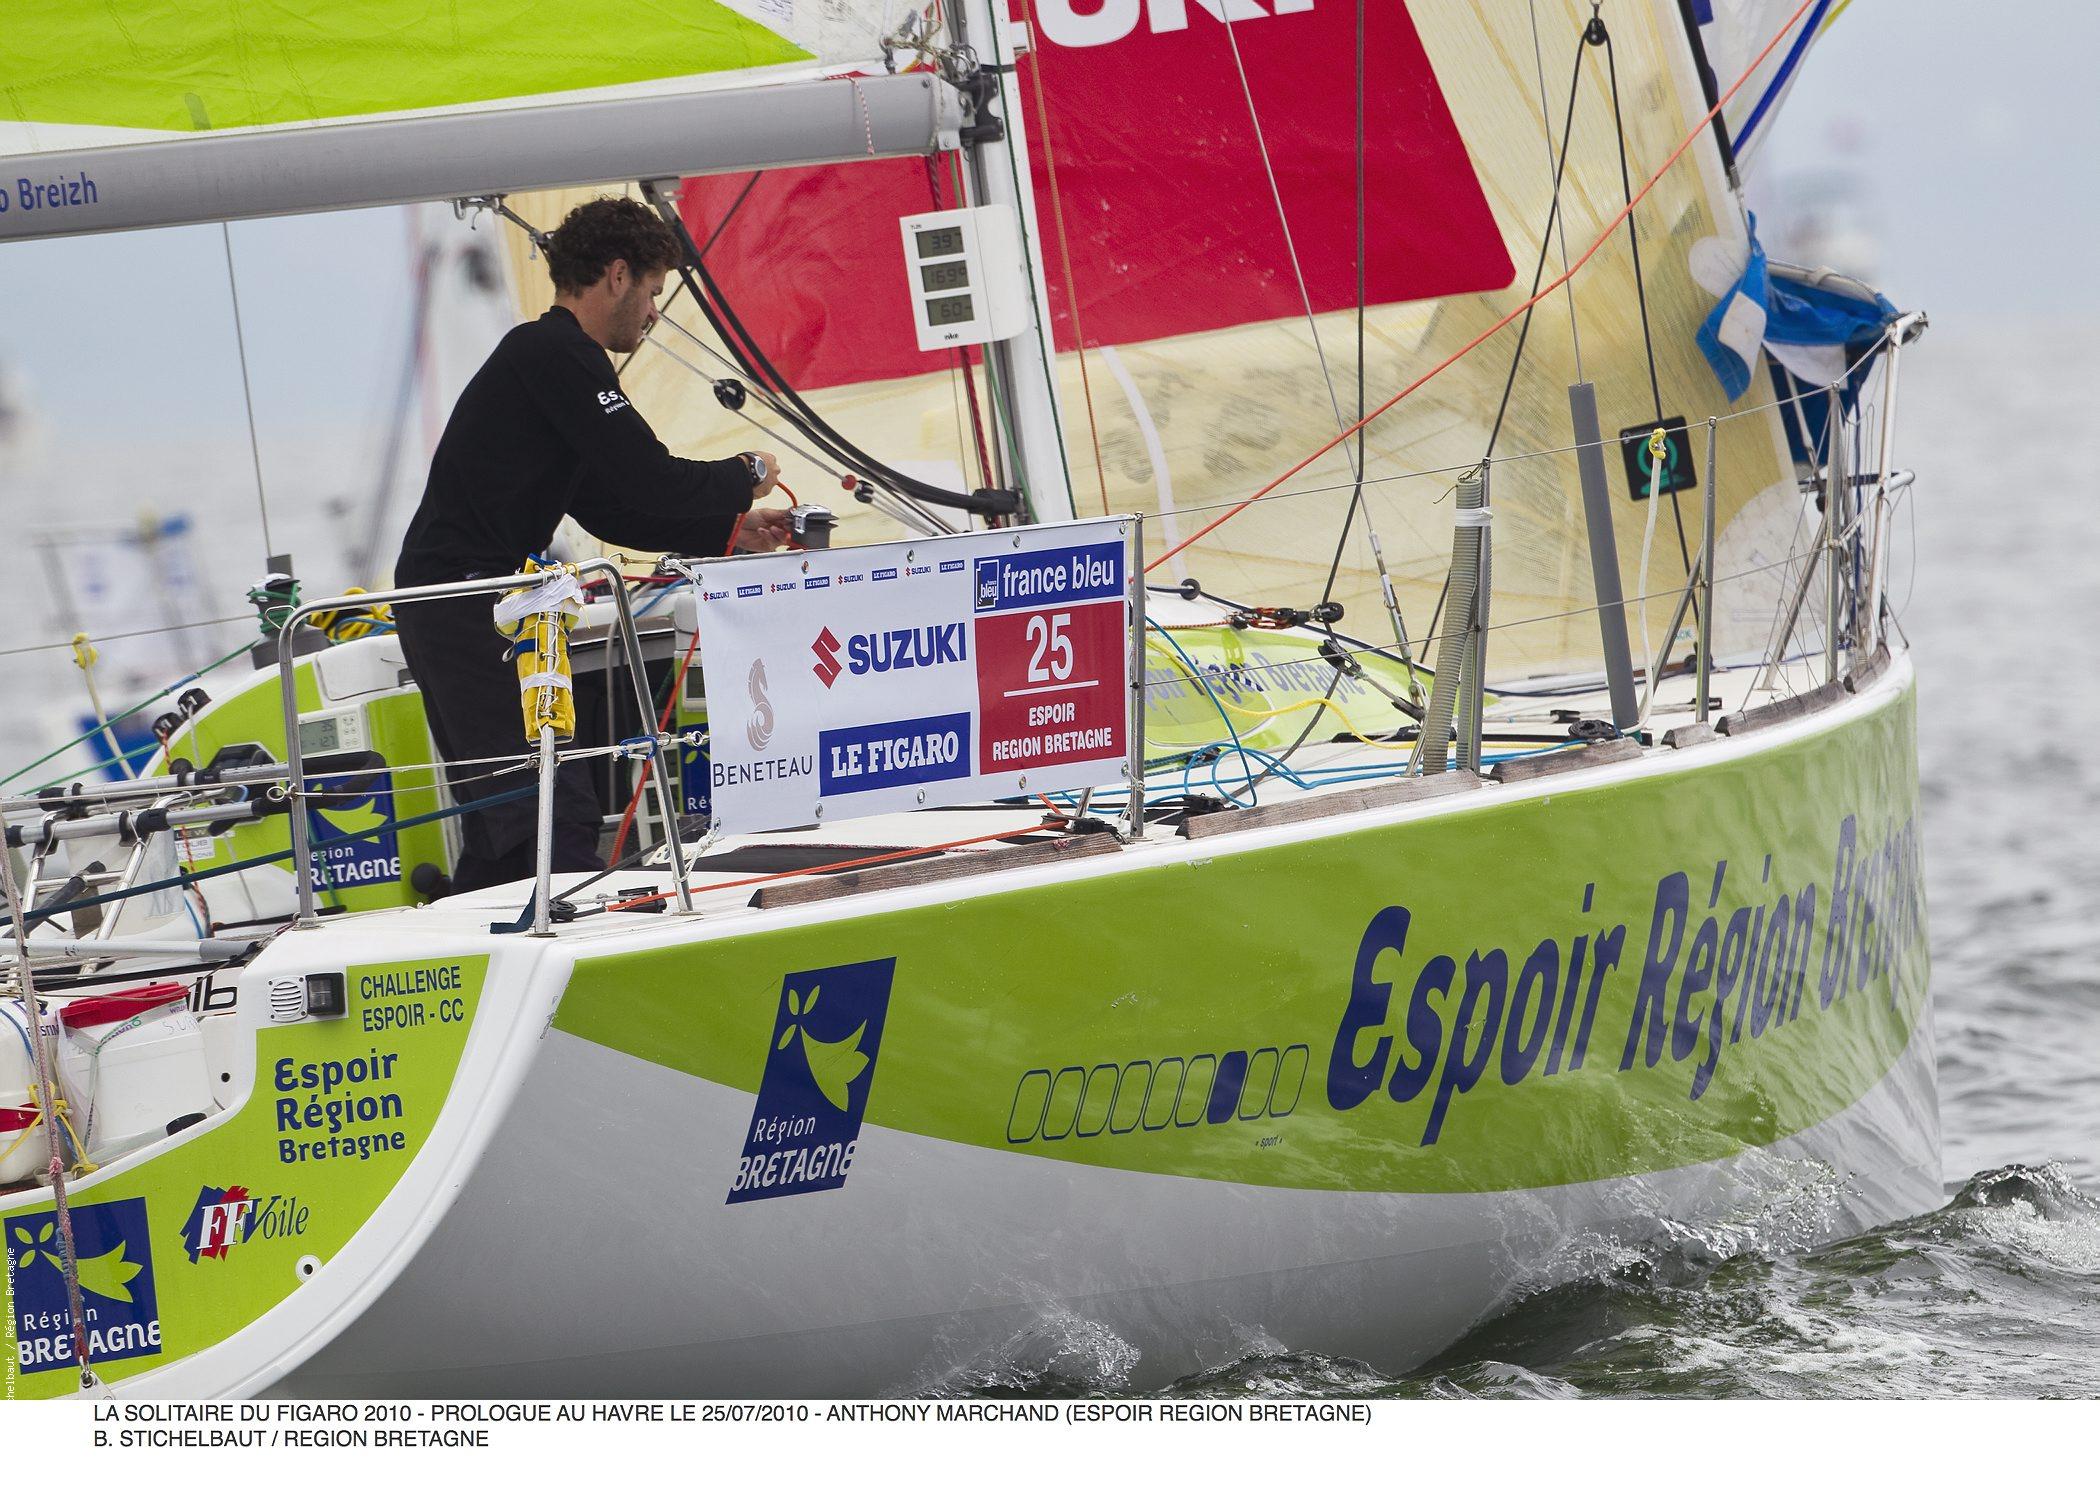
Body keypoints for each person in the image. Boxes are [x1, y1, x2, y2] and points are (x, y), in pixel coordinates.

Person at [393, 196, 790, 893]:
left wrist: (728, 531)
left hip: (470, 597)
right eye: (653, 291)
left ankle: (467, 926)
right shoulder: (554, 354)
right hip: (461, 598)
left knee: (509, 810)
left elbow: (613, 505)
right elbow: (649, 476)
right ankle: (569, 953)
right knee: (553, 803)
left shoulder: (555, 362)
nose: (653, 312)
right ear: (616, 274)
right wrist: (745, 475)